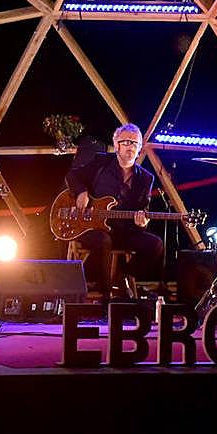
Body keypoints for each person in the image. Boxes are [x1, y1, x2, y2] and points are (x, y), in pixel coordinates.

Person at [65, 123, 164, 305]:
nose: (130, 147)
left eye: (134, 143)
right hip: (92, 226)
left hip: (123, 231)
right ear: (116, 144)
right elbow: (73, 176)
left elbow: (144, 209)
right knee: (103, 241)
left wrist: (142, 222)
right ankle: (105, 294)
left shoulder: (146, 178)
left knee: (156, 245)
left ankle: (122, 275)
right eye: (125, 142)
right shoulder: (101, 162)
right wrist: (81, 191)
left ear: (140, 148)